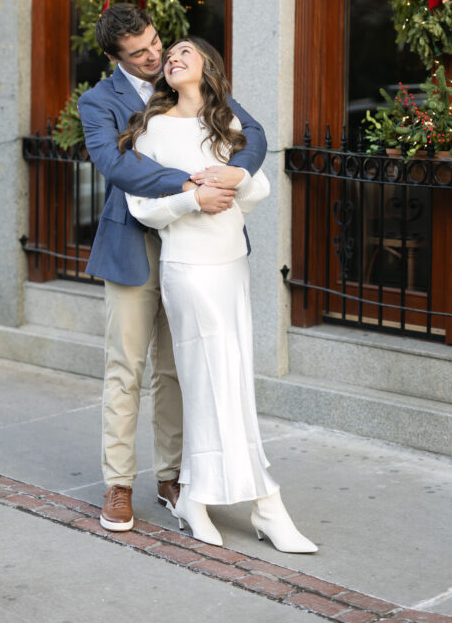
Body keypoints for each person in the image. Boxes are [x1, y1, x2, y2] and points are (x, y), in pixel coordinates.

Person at [118, 36, 317, 554]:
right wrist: (190, 197)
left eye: (187, 51)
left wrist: (235, 176)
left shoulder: (228, 123)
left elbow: (259, 192)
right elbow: (142, 206)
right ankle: (261, 502)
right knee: (209, 381)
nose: (175, 57)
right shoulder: (153, 128)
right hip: (187, 268)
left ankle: (202, 499)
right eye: (171, 54)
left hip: (231, 265)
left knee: (231, 381)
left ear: (208, 67)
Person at [78, 5, 267, 533]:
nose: (155, 55)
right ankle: (118, 485)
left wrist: (232, 172)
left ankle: (172, 477)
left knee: (176, 369)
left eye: (156, 42)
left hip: (197, 247)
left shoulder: (187, 81)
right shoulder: (97, 102)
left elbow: (252, 133)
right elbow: (116, 165)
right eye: (139, 53)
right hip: (135, 244)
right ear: (116, 58)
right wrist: (190, 186)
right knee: (127, 368)